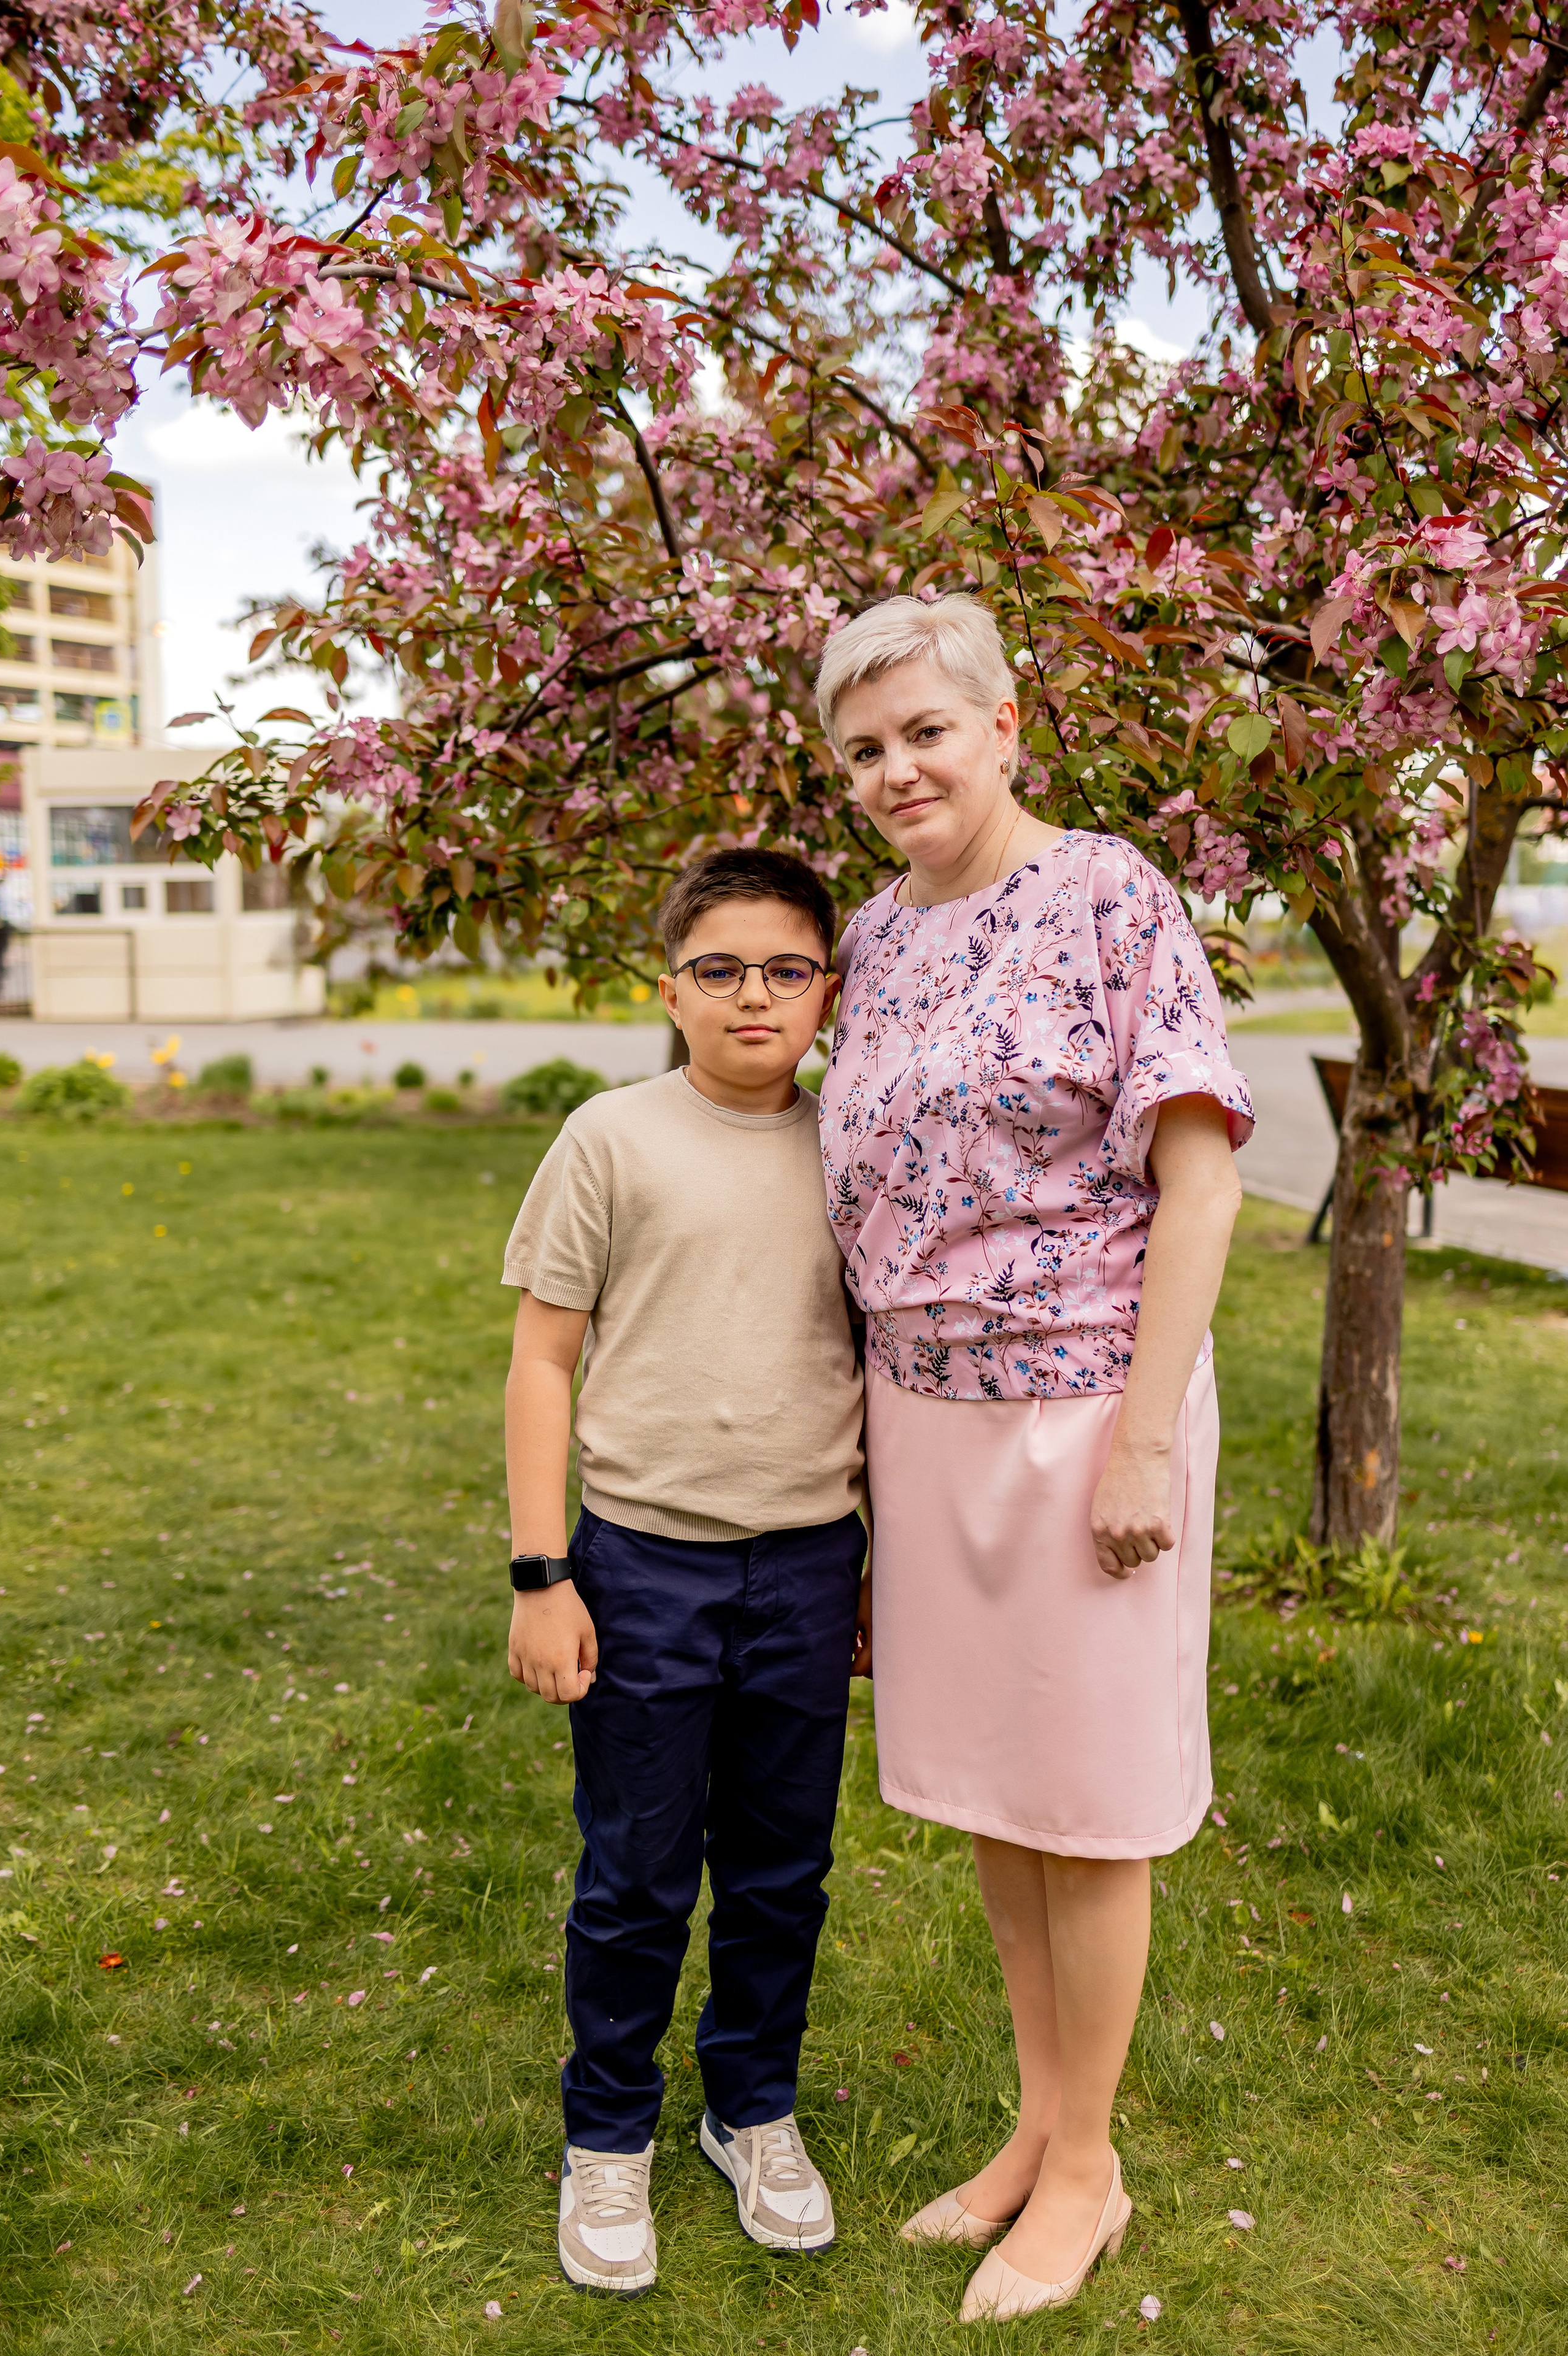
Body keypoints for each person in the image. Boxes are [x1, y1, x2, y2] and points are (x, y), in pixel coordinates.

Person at [815, 595, 1253, 2324]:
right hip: (924, 1421)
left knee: (1091, 1800)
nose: (897, 769)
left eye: (926, 729)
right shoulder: (874, 933)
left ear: (1005, 723)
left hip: (1086, 1418)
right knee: (1002, 1796)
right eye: (863, 748)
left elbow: (1201, 1176)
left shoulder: (1109, 893)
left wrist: (1146, 1439)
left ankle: (1090, 2173)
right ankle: (1035, 2128)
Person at [501, 846, 869, 2297]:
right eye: (719, 969)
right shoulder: (610, 1138)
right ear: (671, 989)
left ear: (826, 989)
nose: (753, 995)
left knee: (781, 1871)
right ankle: (608, 2139)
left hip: (808, 1562)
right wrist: (543, 1570)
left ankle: (751, 2111)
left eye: (785, 967)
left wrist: (870, 1571)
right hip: (642, 1564)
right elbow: (541, 1359)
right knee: (637, 1873)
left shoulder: (856, 1144)